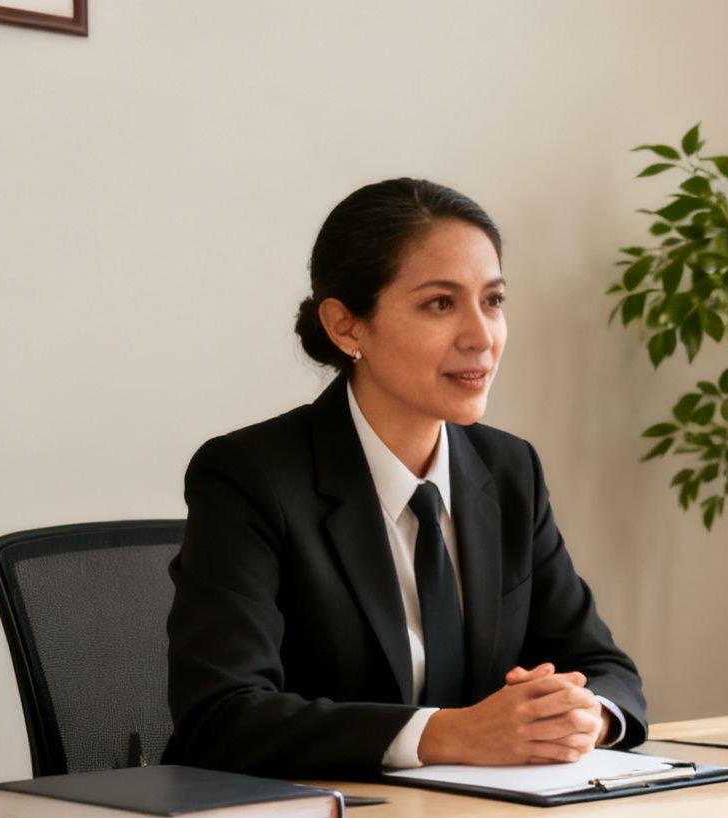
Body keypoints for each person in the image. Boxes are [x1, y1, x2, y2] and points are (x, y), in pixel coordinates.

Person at [164, 178, 646, 779]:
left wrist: (583, 715)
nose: (482, 337)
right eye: (440, 303)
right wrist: (450, 734)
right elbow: (221, 717)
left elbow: (605, 668)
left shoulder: (509, 470)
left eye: (492, 300)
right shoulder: (249, 477)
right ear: (346, 327)